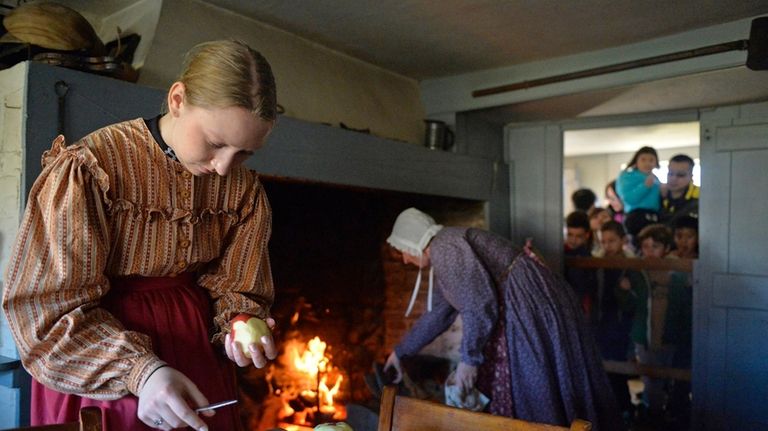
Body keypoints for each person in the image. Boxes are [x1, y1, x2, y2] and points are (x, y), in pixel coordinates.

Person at [2, 40, 279, 431]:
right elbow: (46, 310)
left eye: (245, 153)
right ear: (178, 99)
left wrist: (238, 320)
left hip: (196, 352)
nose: (223, 167)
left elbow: (237, 284)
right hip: (102, 361)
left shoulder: (244, 190)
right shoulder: (91, 167)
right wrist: (141, 372)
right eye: (216, 143)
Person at [382, 208, 622, 430]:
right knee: (539, 386)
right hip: (525, 302)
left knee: (534, 388)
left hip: (527, 305)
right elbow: (438, 314)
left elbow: (478, 304)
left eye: (403, 250)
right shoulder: (445, 248)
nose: (404, 259)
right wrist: (400, 352)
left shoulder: (445, 247)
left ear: (415, 242)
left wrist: (469, 360)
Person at [617, 224, 689, 426]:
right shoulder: (639, 273)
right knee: (651, 378)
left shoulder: (678, 274)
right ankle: (653, 414)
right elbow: (629, 306)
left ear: (666, 248)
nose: (649, 251)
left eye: (655, 246)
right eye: (646, 246)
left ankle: (662, 411)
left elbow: (684, 307)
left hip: (669, 335)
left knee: (669, 376)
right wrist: (624, 291)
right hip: (645, 336)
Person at [615, 146, 662, 242]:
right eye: (643, 159)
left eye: (651, 160)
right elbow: (629, 199)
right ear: (636, 161)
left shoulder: (655, 178)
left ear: (656, 162)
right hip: (636, 217)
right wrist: (645, 186)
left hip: (655, 217)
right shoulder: (626, 176)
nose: (647, 163)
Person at [660, 154, 699, 226]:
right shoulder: (658, 194)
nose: (673, 178)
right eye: (670, 173)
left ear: (691, 177)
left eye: (680, 175)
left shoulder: (701, 197)